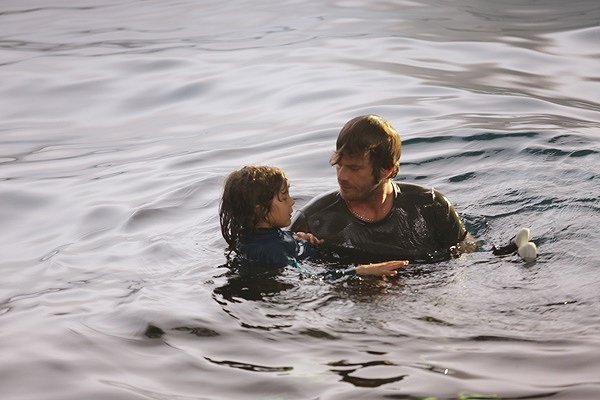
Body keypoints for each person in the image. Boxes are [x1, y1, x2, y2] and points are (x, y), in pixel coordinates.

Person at [290, 115, 477, 263]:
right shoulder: (314, 221)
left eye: (354, 168)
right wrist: (302, 251)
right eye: (339, 165)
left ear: (386, 170)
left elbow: (466, 255)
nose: (342, 177)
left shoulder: (431, 207)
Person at [219, 165, 409, 277]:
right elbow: (311, 277)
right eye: (284, 198)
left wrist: (298, 240)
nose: (292, 201)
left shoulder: (253, 238)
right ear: (260, 209)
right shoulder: (271, 250)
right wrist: (361, 271)